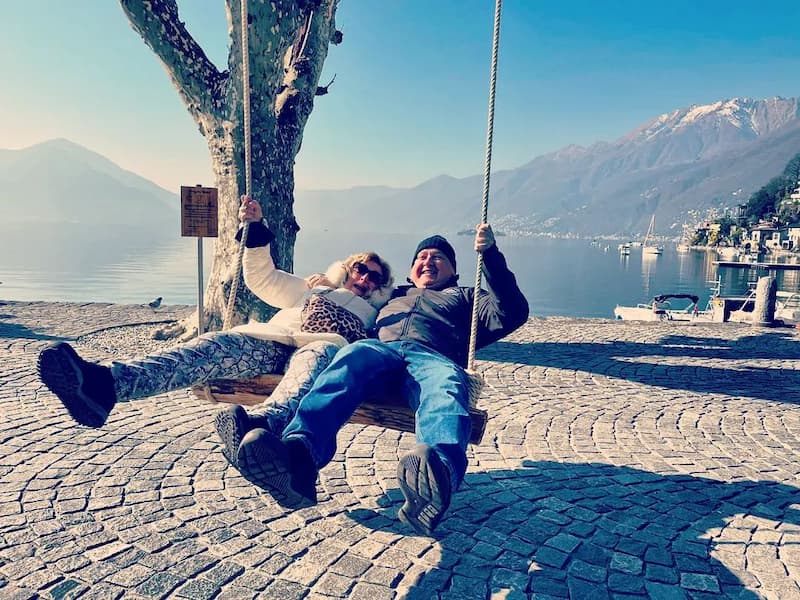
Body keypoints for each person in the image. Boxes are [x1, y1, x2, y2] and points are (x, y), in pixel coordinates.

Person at [37, 196, 394, 469]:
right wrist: (255, 229)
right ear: (346, 268)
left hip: (322, 351)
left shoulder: (378, 313)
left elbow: (394, 336)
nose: (364, 278)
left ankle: (260, 429)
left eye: (374, 277)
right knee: (213, 345)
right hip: (273, 340)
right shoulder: (313, 289)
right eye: (359, 268)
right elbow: (263, 279)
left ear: (380, 287)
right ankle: (105, 385)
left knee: (310, 364)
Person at [232, 225, 529, 535]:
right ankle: (298, 459)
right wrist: (326, 283)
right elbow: (349, 295)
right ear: (411, 271)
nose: (428, 261)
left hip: (432, 358)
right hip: (380, 351)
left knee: (446, 388)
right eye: (422, 257)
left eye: (438, 257)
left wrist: (490, 256)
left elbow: (513, 311)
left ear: (454, 270)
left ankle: (437, 474)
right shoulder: (390, 296)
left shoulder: (467, 297)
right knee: (348, 361)